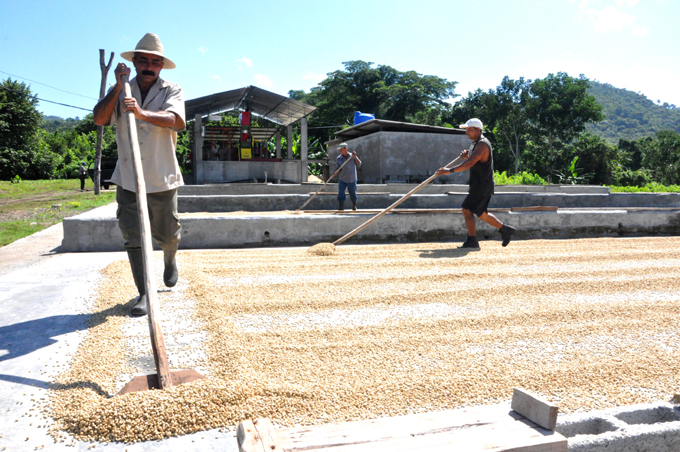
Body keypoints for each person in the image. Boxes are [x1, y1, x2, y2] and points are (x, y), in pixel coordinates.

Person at [93, 33, 185, 317]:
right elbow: (99, 118)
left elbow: (176, 122)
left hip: (161, 174)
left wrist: (141, 113)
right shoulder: (121, 89)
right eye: (143, 60)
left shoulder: (172, 89)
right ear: (133, 62)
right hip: (130, 177)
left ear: (160, 66)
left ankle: (170, 258)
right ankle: (145, 293)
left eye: (154, 62)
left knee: (166, 233)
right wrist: (118, 88)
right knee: (133, 236)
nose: (148, 66)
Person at [436, 118, 515, 249]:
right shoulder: (475, 144)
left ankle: (473, 240)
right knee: (481, 214)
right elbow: (474, 158)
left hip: (482, 185)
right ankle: (505, 229)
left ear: (478, 130)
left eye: (469, 130)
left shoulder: (483, 144)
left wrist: (448, 171)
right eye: (466, 130)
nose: (467, 133)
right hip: (478, 184)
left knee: (466, 209)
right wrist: (468, 154)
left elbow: (470, 163)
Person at [336, 142, 362, 211]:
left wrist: (355, 157)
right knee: (341, 194)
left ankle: (354, 206)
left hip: (352, 179)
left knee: (353, 194)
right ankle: (341, 208)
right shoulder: (339, 158)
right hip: (343, 179)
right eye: (340, 150)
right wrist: (337, 171)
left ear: (346, 149)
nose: (340, 151)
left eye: (341, 149)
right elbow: (338, 167)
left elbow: (359, 164)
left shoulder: (352, 156)